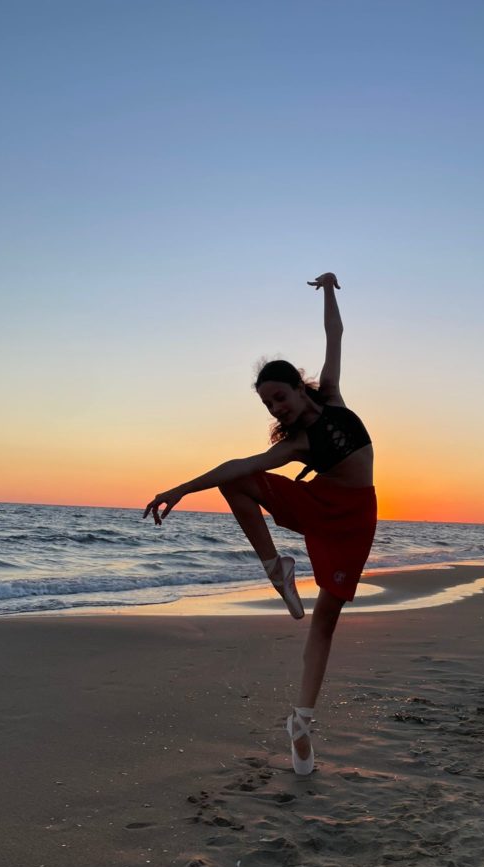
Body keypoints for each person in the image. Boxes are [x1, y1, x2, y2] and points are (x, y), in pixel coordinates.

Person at [143, 273, 376, 776]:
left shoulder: (332, 397)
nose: (276, 407)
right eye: (268, 404)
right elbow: (236, 466)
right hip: (319, 504)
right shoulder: (294, 446)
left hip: (356, 520)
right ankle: (276, 568)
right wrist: (181, 488)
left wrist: (331, 289)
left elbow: (335, 334)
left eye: (279, 396)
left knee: (326, 622)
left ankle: (302, 720)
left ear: (297, 384)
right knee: (239, 481)